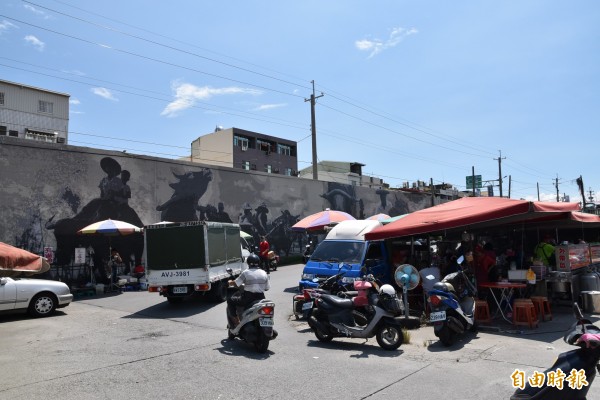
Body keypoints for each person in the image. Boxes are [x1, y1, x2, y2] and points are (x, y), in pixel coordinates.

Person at [226, 253, 270, 329]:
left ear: (248, 263)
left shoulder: (246, 272)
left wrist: (230, 282)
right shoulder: (264, 273)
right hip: (261, 298)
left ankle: (236, 322)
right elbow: (267, 288)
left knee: (230, 300)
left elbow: (236, 284)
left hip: (248, 298)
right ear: (258, 262)